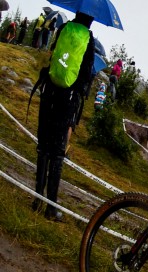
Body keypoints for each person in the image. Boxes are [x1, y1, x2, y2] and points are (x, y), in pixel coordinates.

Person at [32, 12, 95, 222]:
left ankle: (36, 199)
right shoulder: (88, 38)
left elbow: (53, 56)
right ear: (91, 19)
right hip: (68, 98)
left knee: (43, 146)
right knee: (58, 152)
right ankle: (51, 207)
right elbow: (86, 74)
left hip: (50, 90)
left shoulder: (63, 28)